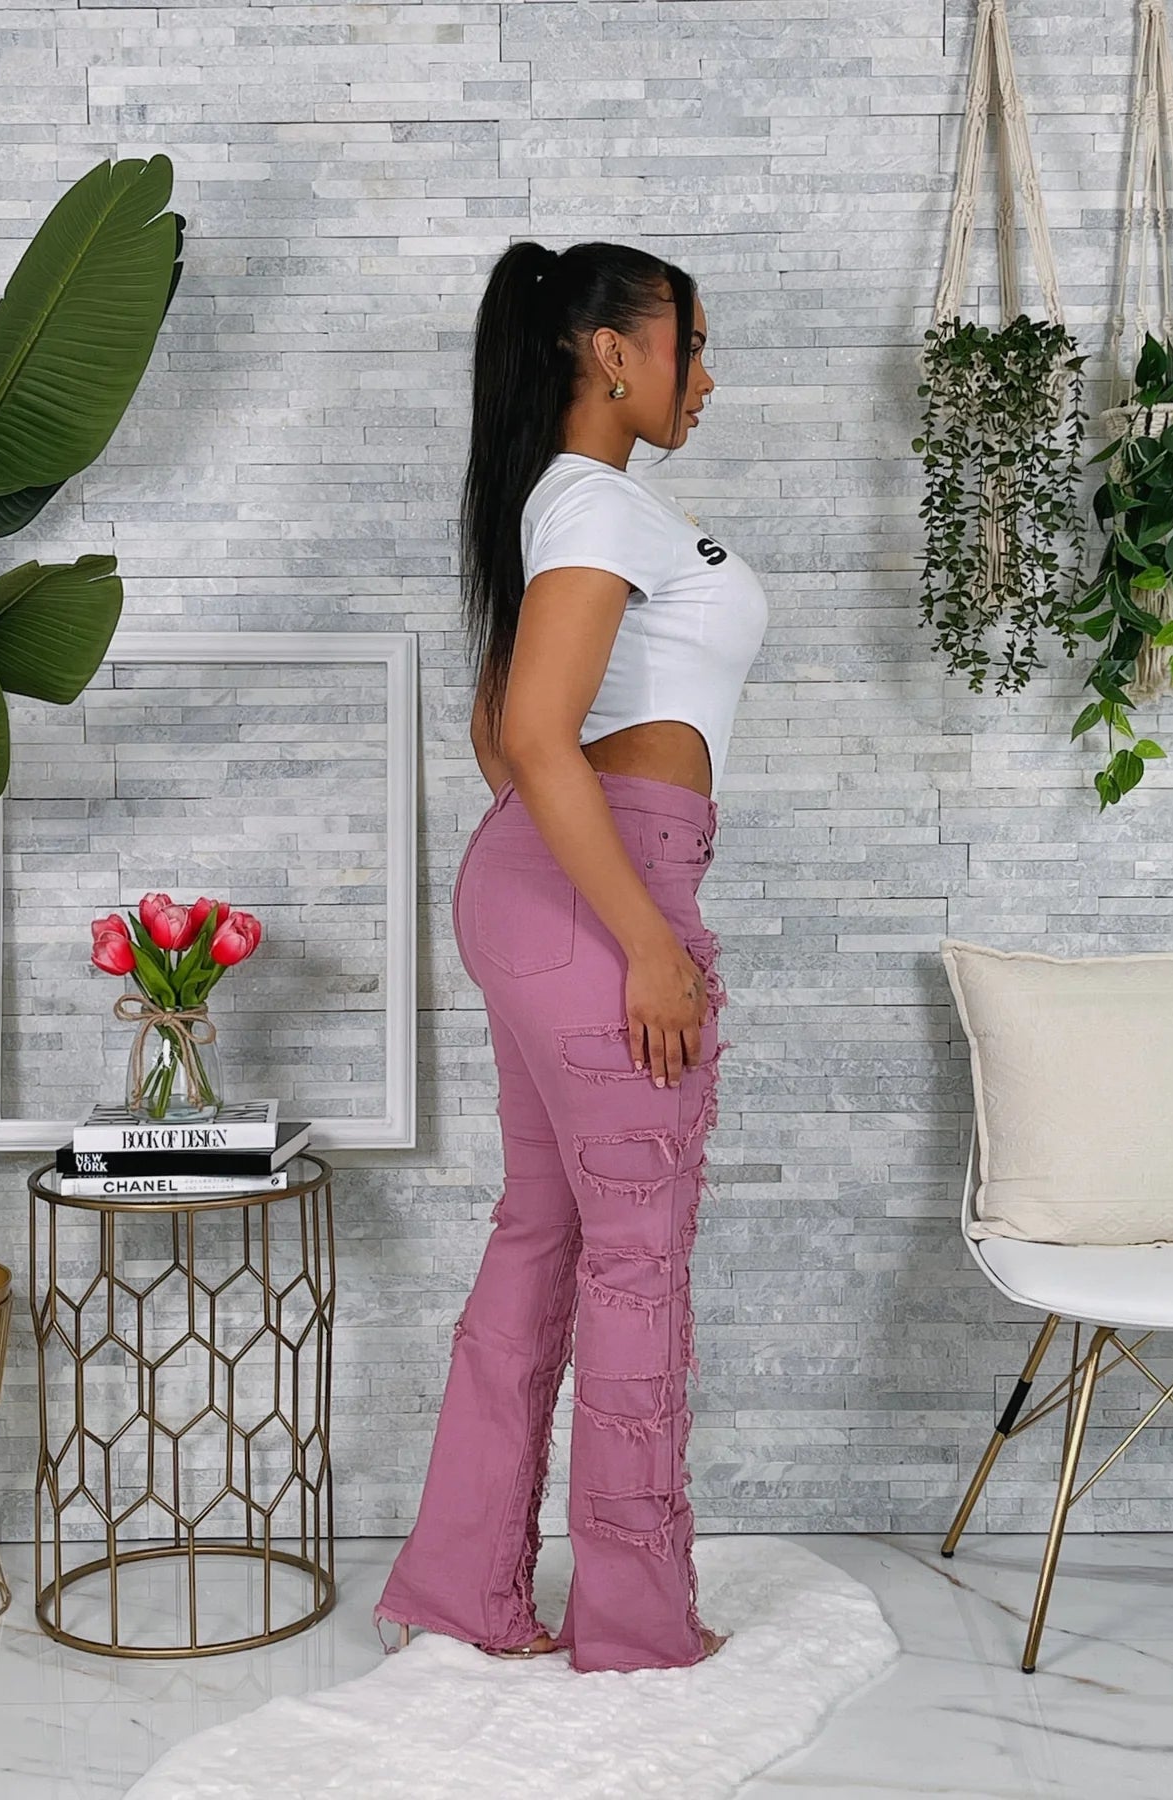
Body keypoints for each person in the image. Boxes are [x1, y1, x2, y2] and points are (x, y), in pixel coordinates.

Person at [373, 239, 769, 1674]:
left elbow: (506, 734)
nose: (705, 378)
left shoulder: (566, 499)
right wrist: (644, 936)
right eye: (690, 345)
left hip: (556, 889)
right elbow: (537, 737)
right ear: (613, 351)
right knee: (635, 1258)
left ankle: (462, 1585)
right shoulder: (592, 500)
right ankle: (635, 1624)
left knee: (545, 1236)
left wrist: (569, 886)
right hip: (612, 896)